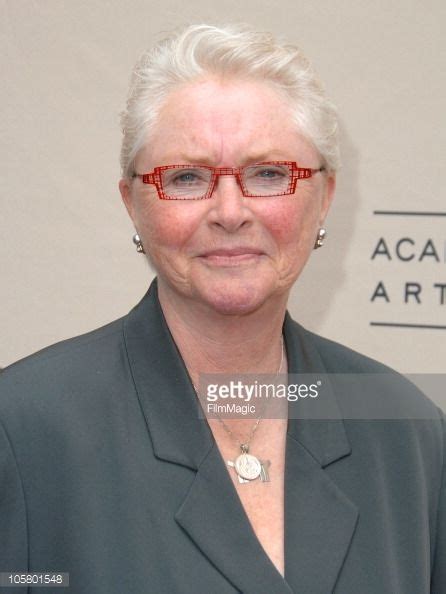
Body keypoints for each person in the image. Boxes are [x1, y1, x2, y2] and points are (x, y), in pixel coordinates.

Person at [0, 23, 444, 594]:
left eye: (268, 174)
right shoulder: (24, 428)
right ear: (133, 204)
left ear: (325, 197)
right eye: (186, 177)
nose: (230, 211)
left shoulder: (406, 430)